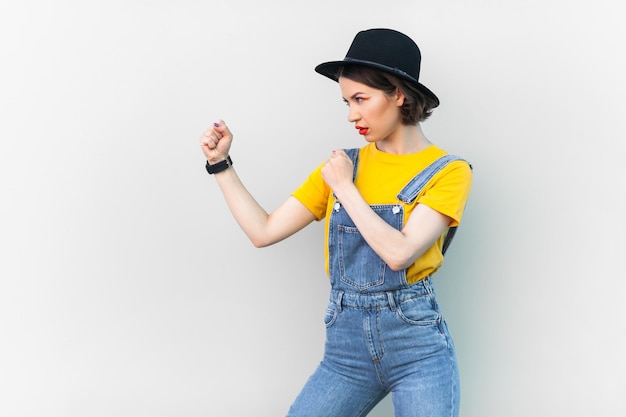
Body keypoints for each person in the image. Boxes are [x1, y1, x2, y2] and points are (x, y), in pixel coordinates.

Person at [199, 28, 472, 417]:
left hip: (417, 351)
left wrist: (345, 189)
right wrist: (220, 165)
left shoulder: (448, 171)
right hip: (347, 353)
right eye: (346, 101)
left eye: (361, 99)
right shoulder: (343, 165)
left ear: (398, 93)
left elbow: (400, 253)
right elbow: (263, 232)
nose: (351, 115)